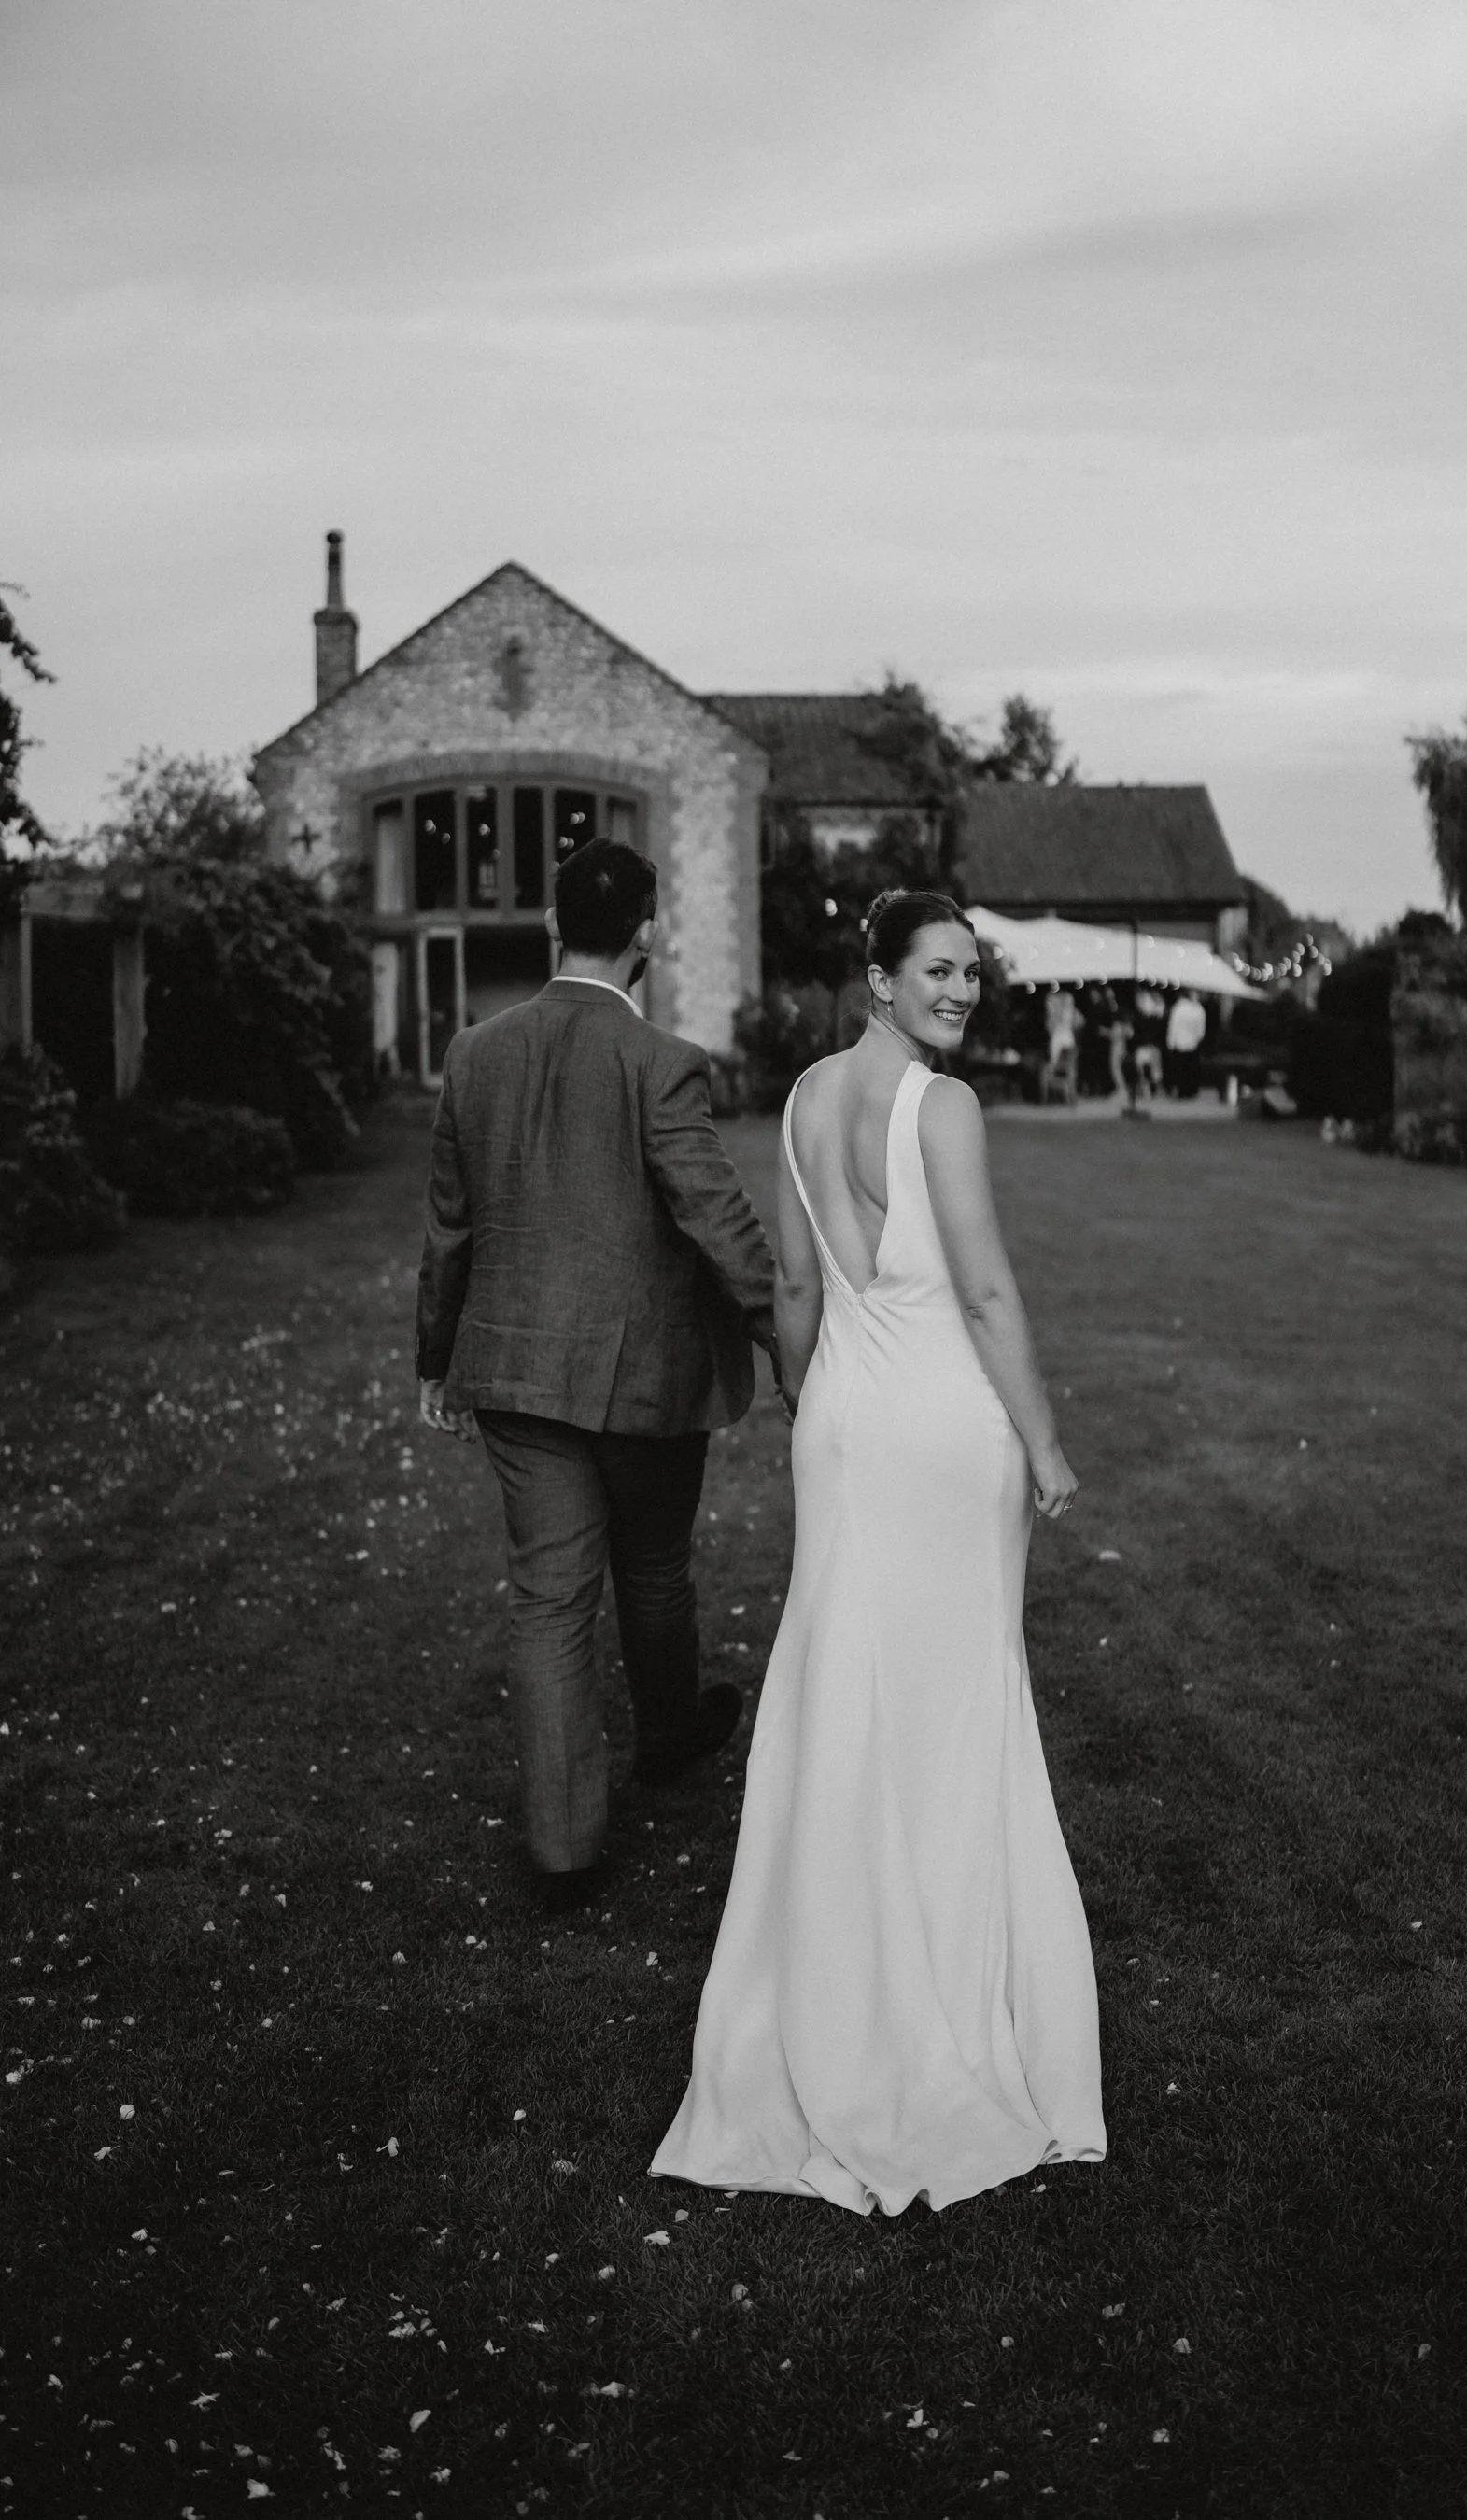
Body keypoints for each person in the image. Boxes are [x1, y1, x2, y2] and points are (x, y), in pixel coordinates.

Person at [651, 889, 1107, 2214]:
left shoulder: (797, 1103)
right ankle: (937, 2010)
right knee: (954, 1704)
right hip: (940, 1428)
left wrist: (813, 1404)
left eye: (972, 972)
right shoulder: (943, 1108)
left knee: (848, 1693)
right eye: (939, 971)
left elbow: (794, 1292)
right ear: (880, 979)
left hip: (846, 1422)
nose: (961, 992)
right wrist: (1045, 1438)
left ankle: (834, 1991)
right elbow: (981, 1289)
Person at [415, 838, 778, 1915]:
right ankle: (666, 1738)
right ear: (650, 933)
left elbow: (449, 1226)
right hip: (643, 1374)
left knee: (548, 1598)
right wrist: (783, 1329)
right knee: (654, 1570)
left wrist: (436, 1357)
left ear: (551, 926)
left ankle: (566, 1847)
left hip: (516, 1370)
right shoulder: (659, 1057)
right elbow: (715, 1212)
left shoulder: (473, 1052)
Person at [1164, 989, 1207, 1099]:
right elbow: (1201, 1029)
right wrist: (1198, 1039)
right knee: (1191, 1068)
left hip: (1179, 1042)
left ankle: (1182, 1091)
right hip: (1193, 1043)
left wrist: (1170, 1042)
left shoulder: (1178, 1008)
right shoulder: (1199, 1009)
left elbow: (1173, 1026)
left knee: (1180, 1068)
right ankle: (1191, 1090)